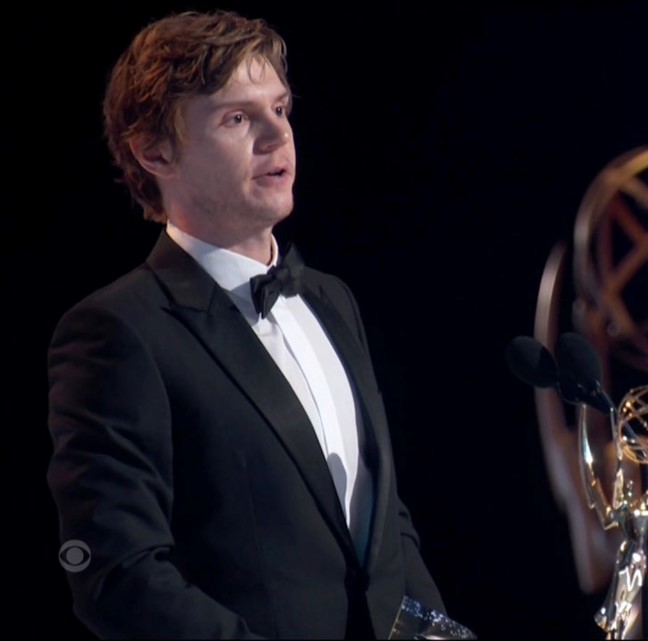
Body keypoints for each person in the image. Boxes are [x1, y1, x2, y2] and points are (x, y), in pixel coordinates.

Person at [46, 10, 461, 639]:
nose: (278, 135)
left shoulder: (331, 300)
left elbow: (384, 523)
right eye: (237, 118)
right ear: (155, 151)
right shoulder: (117, 332)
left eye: (280, 108)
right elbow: (116, 577)